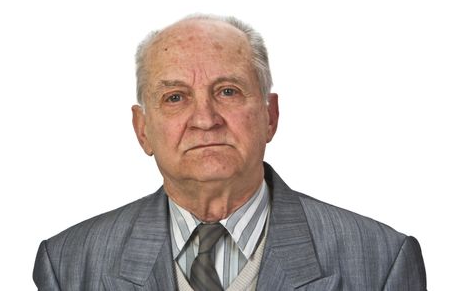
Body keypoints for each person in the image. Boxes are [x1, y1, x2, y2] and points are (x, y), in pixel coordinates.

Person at [33, 14, 427, 290]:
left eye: (227, 91)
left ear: (270, 115)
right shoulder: (68, 263)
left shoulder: (381, 260)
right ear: (142, 130)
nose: (205, 119)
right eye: (175, 97)